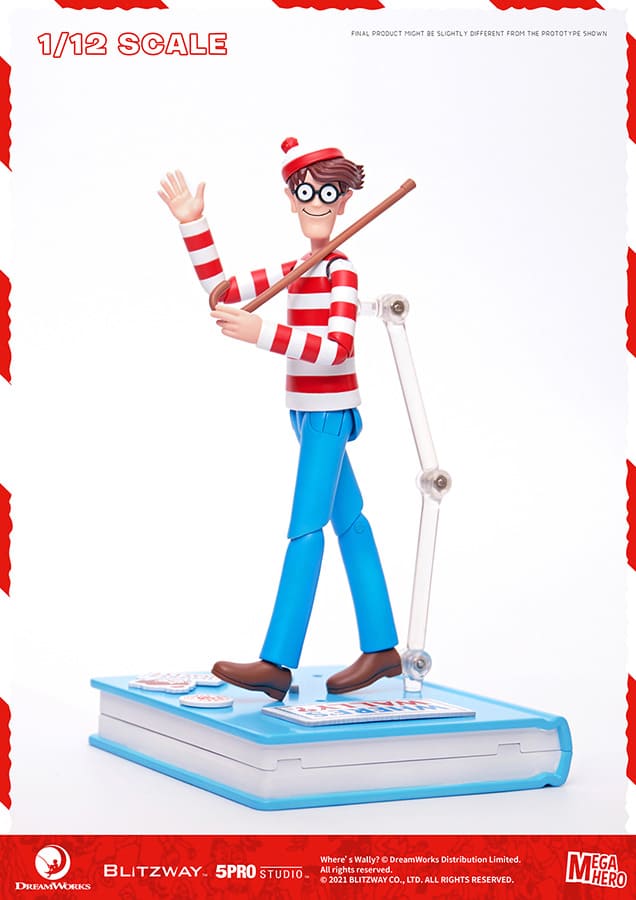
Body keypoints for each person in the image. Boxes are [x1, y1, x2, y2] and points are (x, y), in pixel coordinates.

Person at [159, 137, 401, 701]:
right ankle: (382, 647)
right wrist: (194, 225)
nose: (317, 204)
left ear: (345, 201)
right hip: (303, 413)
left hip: (328, 414)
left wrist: (263, 334)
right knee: (350, 523)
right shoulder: (296, 268)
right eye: (306, 193)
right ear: (292, 200)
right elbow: (223, 294)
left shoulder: (341, 272)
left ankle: (277, 662)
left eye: (329, 194)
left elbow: (337, 348)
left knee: (305, 529)